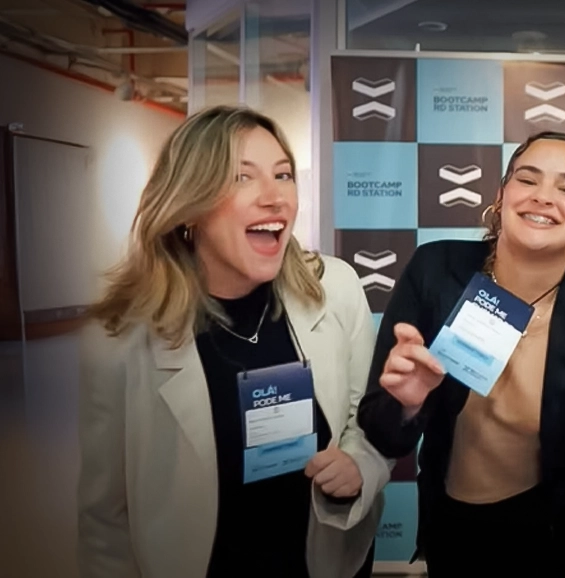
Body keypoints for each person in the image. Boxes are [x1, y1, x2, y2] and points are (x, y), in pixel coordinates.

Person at [79, 106, 388, 578]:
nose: (275, 197)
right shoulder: (120, 340)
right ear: (189, 206)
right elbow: (106, 521)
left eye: (283, 175)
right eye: (242, 177)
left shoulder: (337, 287)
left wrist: (360, 466)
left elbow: (366, 418)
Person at [354, 131, 565, 577]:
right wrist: (406, 407)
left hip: (546, 542)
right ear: (501, 195)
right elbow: (384, 434)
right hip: (450, 528)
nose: (544, 197)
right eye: (528, 180)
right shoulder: (435, 272)